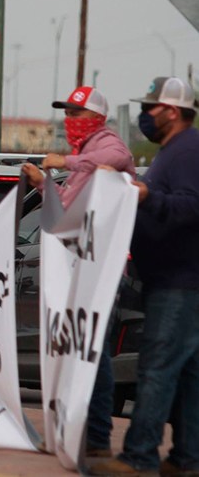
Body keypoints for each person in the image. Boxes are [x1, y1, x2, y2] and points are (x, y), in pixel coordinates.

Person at [91, 77, 199, 476]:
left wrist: (147, 195)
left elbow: (192, 206)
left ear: (172, 111)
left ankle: (139, 457)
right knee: (187, 375)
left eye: (151, 108)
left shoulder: (187, 150)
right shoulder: (174, 151)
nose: (144, 116)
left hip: (179, 282)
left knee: (156, 367)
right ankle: (187, 459)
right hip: (172, 280)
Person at [21, 86, 135, 460]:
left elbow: (118, 158)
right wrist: (44, 184)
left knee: (92, 350)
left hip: (99, 267)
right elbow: (70, 205)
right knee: (76, 349)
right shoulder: (86, 155)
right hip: (77, 265)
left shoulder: (107, 146)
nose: (70, 120)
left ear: (97, 118)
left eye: (77, 113)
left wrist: (65, 162)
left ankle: (98, 436)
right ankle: (73, 429)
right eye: (67, 113)